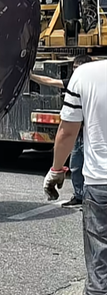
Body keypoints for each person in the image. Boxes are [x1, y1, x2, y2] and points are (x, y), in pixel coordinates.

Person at [43, 58, 107, 295]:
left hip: (100, 183)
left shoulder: (85, 75)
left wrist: (56, 169)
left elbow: (67, 132)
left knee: (100, 265)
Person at [31, 54, 94, 207]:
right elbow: (51, 81)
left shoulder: (94, 85)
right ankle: (79, 196)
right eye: (74, 69)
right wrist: (31, 76)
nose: (76, 72)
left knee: (92, 167)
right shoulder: (74, 83)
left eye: (79, 69)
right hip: (78, 133)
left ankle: (92, 198)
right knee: (76, 165)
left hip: (92, 133)